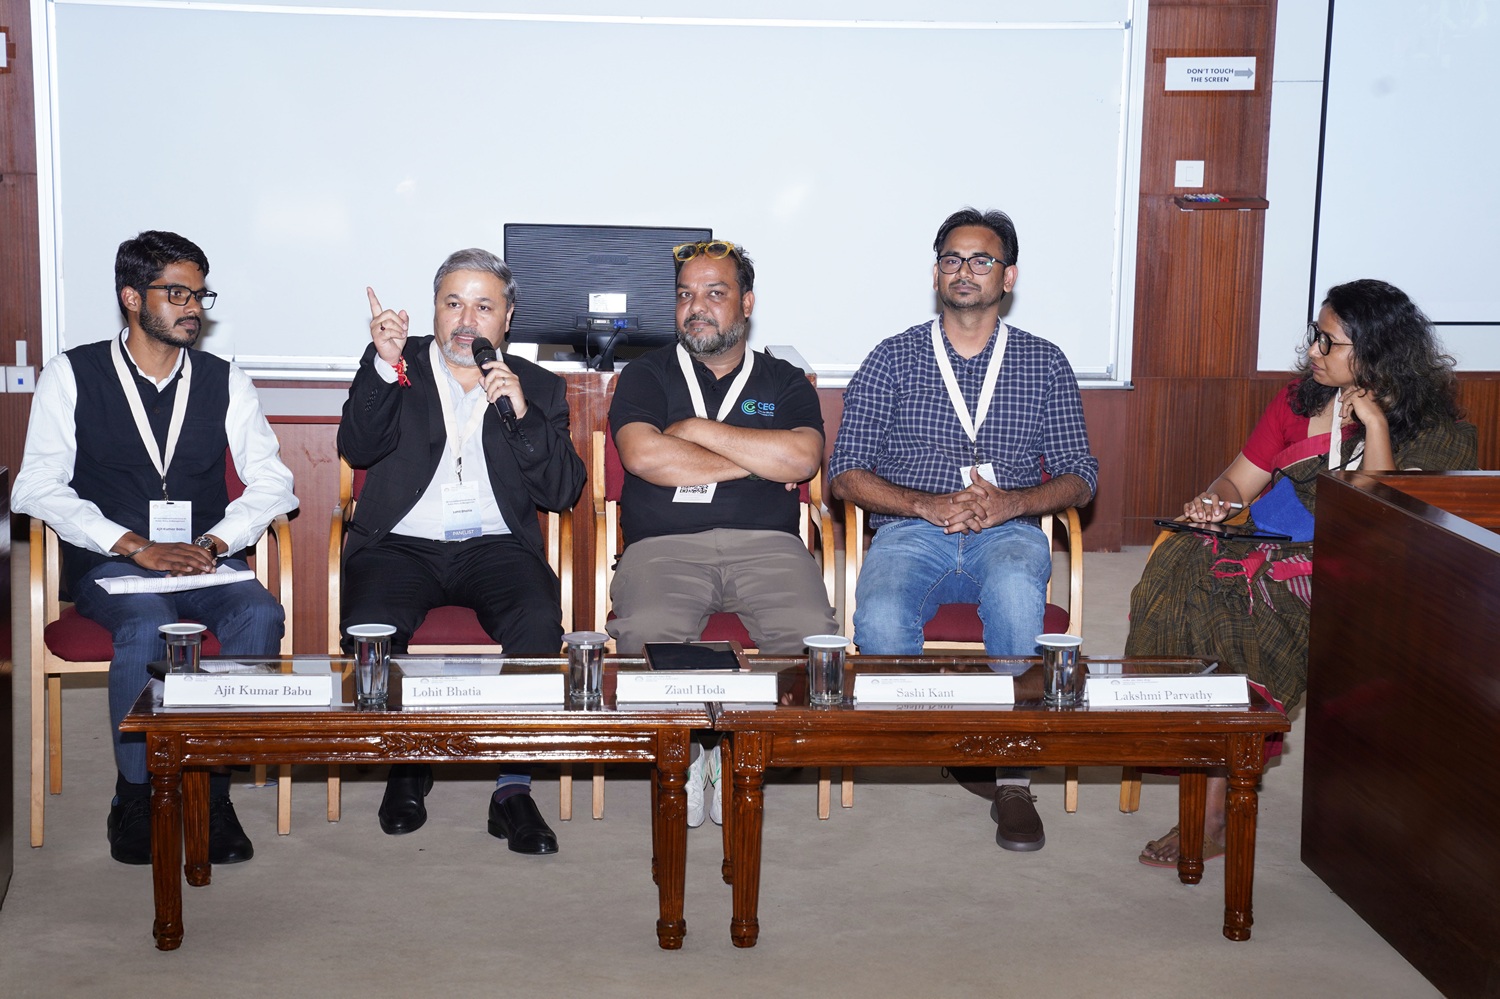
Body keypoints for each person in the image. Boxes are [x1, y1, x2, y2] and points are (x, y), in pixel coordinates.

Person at [1127, 278, 1477, 867]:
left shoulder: (1435, 431)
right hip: (1267, 541)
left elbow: (1382, 521)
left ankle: (1212, 808)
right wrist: (1214, 503)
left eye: (1329, 341)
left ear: (1376, 352)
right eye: (1316, 335)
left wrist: (1375, 426)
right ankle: (1202, 765)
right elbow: (1239, 481)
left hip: (1355, 563)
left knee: (1247, 602)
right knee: (1184, 564)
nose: (1313, 350)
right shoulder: (1298, 400)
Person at [13, 230, 298, 866]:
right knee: (146, 625)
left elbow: (273, 482)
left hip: (203, 555)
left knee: (260, 614)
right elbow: (35, 486)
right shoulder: (72, 374)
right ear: (132, 297)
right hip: (114, 561)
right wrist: (131, 544)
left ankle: (212, 792)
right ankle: (137, 796)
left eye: (199, 294)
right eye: (177, 294)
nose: (193, 307)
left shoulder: (226, 380)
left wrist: (216, 540)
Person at [828, 208, 1099, 852]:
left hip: (1007, 531)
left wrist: (1011, 504)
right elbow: (844, 472)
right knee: (881, 614)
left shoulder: (1044, 362)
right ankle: (931, 745)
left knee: (1016, 595)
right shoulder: (892, 358)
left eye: (981, 260)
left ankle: (1011, 776)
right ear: (935, 273)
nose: (965, 271)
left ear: (1008, 276)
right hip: (911, 530)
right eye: (952, 259)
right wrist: (923, 505)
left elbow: (1081, 475)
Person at [341, 247, 586, 855]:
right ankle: (407, 763)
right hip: (400, 544)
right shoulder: (395, 365)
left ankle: (512, 789)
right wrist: (382, 365)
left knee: (537, 619)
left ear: (507, 319)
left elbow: (562, 492)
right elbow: (358, 447)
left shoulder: (538, 386)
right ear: (434, 309)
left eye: (483, 307)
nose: (466, 321)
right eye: (453, 303)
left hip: (494, 545)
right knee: (371, 623)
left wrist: (522, 415)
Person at [607, 239, 838, 827]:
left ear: (747, 303)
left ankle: (739, 753)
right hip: (663, 549)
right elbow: (644, 458)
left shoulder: (784, 379)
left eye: (715, 293)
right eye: (685, 295)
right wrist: (760, 461)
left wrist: (693, 430)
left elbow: (803, 458)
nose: (697, 307)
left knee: (811, 644)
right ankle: (688, 754)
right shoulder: (645, 374)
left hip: (768, 548)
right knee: (646, 637)